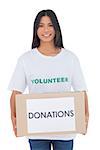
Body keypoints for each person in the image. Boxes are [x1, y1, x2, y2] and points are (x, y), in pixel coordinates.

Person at [8, 9, 89, 150]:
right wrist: (14, 119)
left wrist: (85, 118)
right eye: (41, 25)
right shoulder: (26, 59)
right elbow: (16, 93)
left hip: (65, 130)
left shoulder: (70, 58)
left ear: (56, 28)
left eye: (50, 25)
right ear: (36, 30)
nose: (46, 30)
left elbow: (81, 92)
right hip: (36, 130)